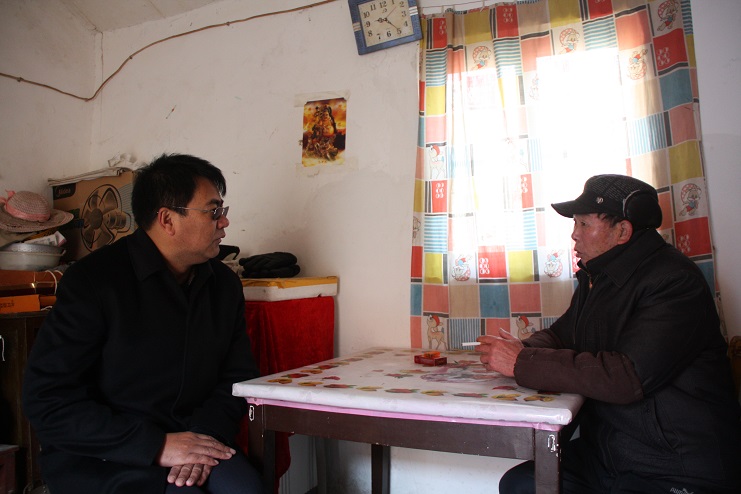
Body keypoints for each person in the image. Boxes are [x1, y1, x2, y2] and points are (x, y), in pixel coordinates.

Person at [476, 174, 741, 494]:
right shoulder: (598, 277)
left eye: (584, 224)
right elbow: (562, 335)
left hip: (674, 466)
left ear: (623, 231)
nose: (574, 234)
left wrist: (521, 361)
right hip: (609, 455)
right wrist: (521, 348)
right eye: (575, 223)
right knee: (521, 484)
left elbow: (626, 377)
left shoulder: (674, 281)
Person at [22, 154, 266, 494]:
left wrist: (204, 435)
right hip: (107, 451)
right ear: (167, 220)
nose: (224, 222)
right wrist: (156, 445)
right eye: (213, 211)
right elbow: (47, 399)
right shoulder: (95, 281)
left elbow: (236, 377)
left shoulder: (223, 285)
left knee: (245, 489)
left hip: (195, 437)